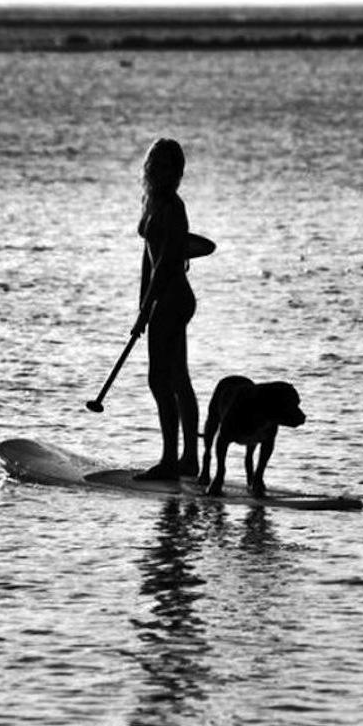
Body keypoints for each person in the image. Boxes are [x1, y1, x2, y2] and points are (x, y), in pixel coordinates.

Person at [132, 138, 199, 481]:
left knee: (161, 379)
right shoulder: (151, 202)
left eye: (171, 168)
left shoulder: (173, 207)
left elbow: (167, 263)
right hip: (163, 298)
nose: (163, 173)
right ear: (149, 168)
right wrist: (141, 305)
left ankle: (174, 461)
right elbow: (149, 259)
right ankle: (186, 460)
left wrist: (148, 308)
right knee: (175, 378)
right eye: (157, 166)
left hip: (174, 298)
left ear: (178, 172)